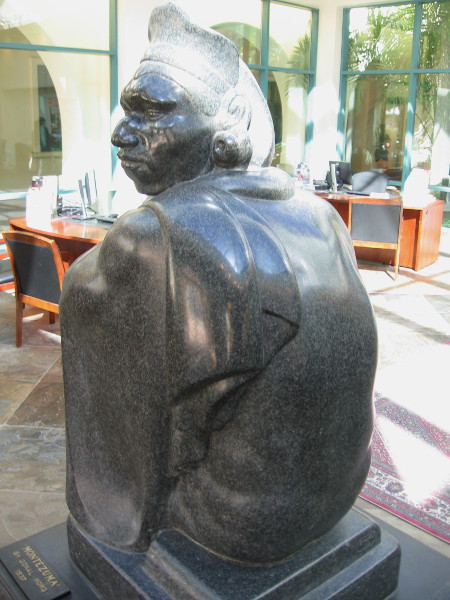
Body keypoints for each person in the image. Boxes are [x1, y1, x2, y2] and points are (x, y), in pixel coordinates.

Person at [60, 2, 377, 564]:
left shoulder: (160, 231)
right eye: (127, 112)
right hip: (337, 498)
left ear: (226, 124)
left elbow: (82, 294)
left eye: (153, 111)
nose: (120, 133)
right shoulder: (322, 216)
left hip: (240, 525)